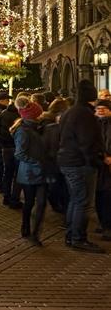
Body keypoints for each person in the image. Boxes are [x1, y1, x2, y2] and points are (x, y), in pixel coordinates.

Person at [58, 79, 105, 253]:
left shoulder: (70, 112)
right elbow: (87, 143)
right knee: (83, 202)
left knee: (76, 200)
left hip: (69, 161)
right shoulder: (84, 114)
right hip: (80, 164)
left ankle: (72, 235)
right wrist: (96, 161)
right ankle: (78, 237)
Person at [13, 102, 48, 246]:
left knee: (41, 203)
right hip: (29, 173)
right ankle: (26, 227)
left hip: (41, 172)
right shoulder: (23, 130)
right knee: (29, 202)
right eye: (39, 113)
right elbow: (19, 153)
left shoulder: (40, 128)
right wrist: (37, 162)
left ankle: (35, 233)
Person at [0, 92, 20, 207]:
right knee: (2, 166)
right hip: (1, 143)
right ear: (3, 100)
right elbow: (1, 130)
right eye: (7, 100)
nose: (8, 102)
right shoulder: (0, 112)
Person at [39, 98, 70, 214]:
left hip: (52, 160)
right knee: (59, 186)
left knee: (55, 185)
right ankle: (60, 205)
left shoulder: (45, 122)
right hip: (56, 160)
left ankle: (58, 204)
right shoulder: (51, 127)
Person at [94, 99, 111, 241]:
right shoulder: (93, 124)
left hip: (109, 166)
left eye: (103, 108)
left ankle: (107, 226)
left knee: (107, 196)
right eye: (98, 108)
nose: (100, 111)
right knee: (100, 196)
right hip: (99, 165)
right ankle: (103, 223)